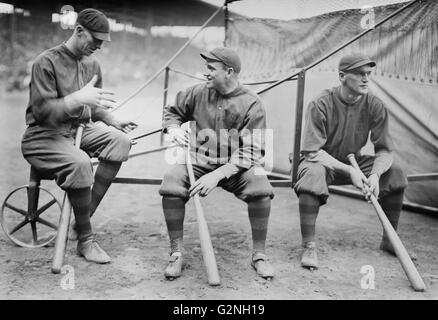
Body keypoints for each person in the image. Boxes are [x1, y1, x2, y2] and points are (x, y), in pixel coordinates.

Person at [21, 8, 137, 264]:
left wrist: (112, 119)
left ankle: (82, 218)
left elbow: (92, 107)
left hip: (80, 130)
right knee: (81, 163)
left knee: (121, 142)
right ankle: (86, 239)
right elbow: (42, 112)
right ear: (79, 31)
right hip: (44, 134)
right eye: (94, 40)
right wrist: (75, 99)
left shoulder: (92, 64)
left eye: (101, 43)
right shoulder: (46, 61)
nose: (97, 47)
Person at [159, 47, 275, 279]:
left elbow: (253, 149)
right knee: (171, 181)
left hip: (236, 167)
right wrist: (172, 128)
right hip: (199, 161)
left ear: (229, 72)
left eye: (212, 69)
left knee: (261, 186)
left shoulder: (252, 103)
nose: (207, 73)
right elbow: (172, 112)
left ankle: (259, 255)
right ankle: (176, 253)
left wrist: (219, 174)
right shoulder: (196, 92)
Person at [294, 53, 408, 269]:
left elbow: (384, 150)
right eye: (359, 74)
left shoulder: (375, 104)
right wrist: (350, 170)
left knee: (396, 172)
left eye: (368, 74)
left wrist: (375, 175)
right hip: (322, 162)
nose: (366, 79)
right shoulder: (321, 102)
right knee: (312, 174)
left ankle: (390, 239)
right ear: (342, 76)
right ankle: (308, 244)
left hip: (352, 162)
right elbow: (311, 151)